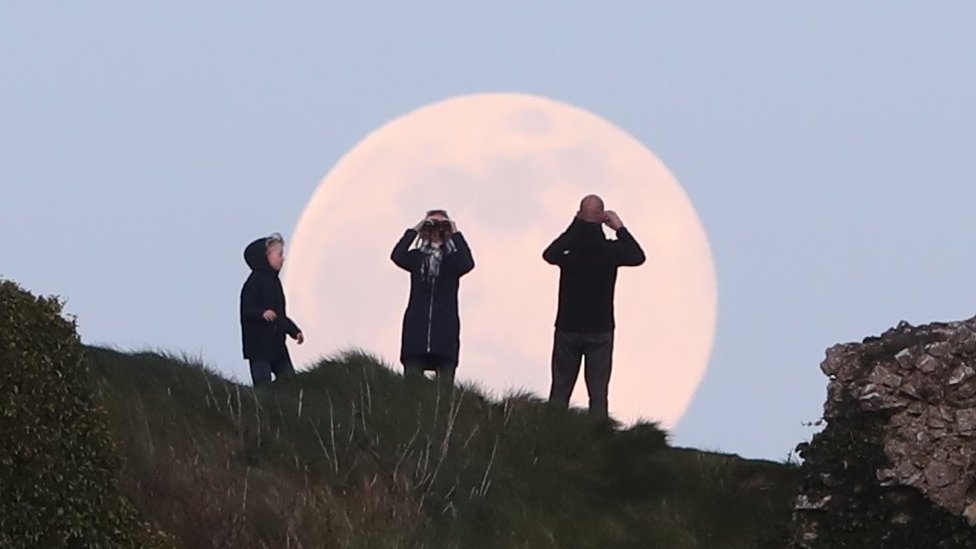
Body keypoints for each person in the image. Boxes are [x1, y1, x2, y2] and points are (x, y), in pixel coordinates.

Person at [543, 195, 646, 418]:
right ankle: (599, 437)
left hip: (568, 327)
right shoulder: (610, 250)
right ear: (602, 218)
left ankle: (550, 433)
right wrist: (620, 228)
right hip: (600, 329)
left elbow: (549, 254)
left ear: (579, 216)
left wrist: (576, 224)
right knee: (598, 393)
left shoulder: (570, 248)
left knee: (560, 390)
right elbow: (638, 256)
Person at [390, 209, 475, 387]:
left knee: (444, 394)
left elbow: (467, 263)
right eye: (432, 225)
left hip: (445, 335)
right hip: (416, 333)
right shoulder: (416, 258)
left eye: (442, 225)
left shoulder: (452, 262)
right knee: (411, 389)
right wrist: (417, 229)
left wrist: (454, 231)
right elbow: (397, 255)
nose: (437, 229)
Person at [240, 232, 305, 386]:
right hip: (258, 347)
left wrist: (294, 331)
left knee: (290, 381)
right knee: (263, 385)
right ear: (265, 256)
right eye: (279, 254)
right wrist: (262, 313)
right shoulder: (254, 282)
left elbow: (280, 315)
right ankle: (263, 407)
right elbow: (247, 309)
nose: (282, 258)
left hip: (277, 346)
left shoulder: (275, 283)